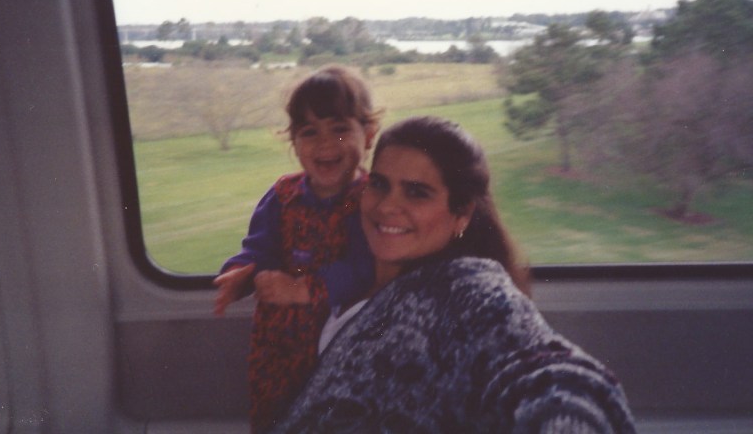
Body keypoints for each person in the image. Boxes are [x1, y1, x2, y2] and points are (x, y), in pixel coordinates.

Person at [273, 116, 636, 433]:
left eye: (417, 193)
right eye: (380, 184)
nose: (386, 206)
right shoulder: (354, 275)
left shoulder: (466, 286)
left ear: (461, 214)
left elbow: (550, 374)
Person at [213, 65, 381, 433]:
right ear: (293, 142)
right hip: (278, 344)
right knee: (276, 416)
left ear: (368, 135)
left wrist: (304, 290)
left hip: (340, 343)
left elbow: (365, 266)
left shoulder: (369, 200)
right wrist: (243, 274)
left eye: (339, 129)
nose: (324, 144)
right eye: (309, 132)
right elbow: (259, 250)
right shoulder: (282, 196)